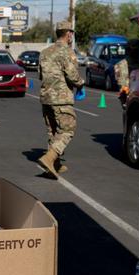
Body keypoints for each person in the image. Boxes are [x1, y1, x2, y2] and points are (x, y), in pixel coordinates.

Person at [37, 21, 84, 179]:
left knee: (53, 131)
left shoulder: (44, 52)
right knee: (67, 130)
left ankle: (54, 165)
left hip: (46, 97)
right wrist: (80, 83)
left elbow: (40, 75)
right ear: (69, 34)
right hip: (61, 98)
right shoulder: (67, 52)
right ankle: (49, 158)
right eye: (72, 33)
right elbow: (72, 75)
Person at [114, 39, 139, 105]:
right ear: (128, 50)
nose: (137, 51)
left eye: (138, 49)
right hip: (129, 101)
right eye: (134, 49)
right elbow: (123, 87)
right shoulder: (121, 65)